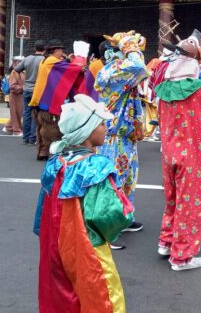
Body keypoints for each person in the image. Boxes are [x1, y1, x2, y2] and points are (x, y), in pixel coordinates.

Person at [34, 94, 132, 312]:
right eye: (100, 124)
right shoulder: (95, 167)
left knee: (62, 297)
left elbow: (41, 215)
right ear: (87, 131)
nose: (106, 127)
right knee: (100, 295)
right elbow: (110, 215)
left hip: (54, 244)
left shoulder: (54, 164)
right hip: (86, 245)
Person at [152, 30, 201, 271]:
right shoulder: (200, 90)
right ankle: (182, 257)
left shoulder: (161, 91)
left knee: (172, 200)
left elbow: (154, 79)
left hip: (168, 154)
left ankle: (166, 242)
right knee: (189, 205)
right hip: (191, 157)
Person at [94, 31, 149, 234]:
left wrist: (130, 45)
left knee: (127, 179)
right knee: (114, 180)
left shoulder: (116, 70)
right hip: (113, 137)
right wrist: (130, 44)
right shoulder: (113, 72)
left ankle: (124, 218)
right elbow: (138, 66)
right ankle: (108, 225)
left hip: (125, 135)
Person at [30, 39, 89, 161]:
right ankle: (48, 151)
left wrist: (68, 60)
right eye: (61, 50)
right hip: (46, 100)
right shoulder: (52, 61)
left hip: (39, 99)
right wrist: (79, 68)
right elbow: (68, 69)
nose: (62, 53)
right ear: (56, 50)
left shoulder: (45, 61)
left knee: (42, 127)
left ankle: (42, 151)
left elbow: (62, 67)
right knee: (49, 128)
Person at [14, 40, 46, 146]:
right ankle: (33, 138)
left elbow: (15, 71)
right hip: (38, 90)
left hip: (27, 89)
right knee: (36, 114)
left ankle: (25, 137)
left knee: (27, 113)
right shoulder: (44, 60)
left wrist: (21, 84)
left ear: (35, 48)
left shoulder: (27, 59)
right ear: (44, 49)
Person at [3, 56, 24, 137]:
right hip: (15, 95)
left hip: (21, 95)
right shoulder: (14, 72)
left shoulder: (22, 72)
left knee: (18, 113)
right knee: (16, 113)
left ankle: (8, 127)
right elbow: (12, 85)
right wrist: (22, 88)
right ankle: (16, 131)